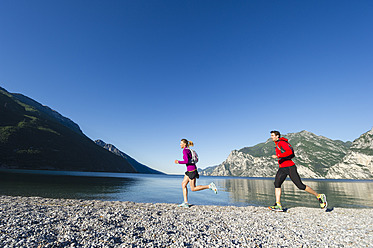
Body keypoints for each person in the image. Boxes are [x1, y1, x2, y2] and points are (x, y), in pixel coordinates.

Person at [268, 130, 327, 211]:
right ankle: (278, 204)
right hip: (282, 167)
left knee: (300, 186)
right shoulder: (277, 144)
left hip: (290, 167)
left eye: (272, 135)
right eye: (271, 135)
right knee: (277, 183)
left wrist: (278, 155)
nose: (271, 137)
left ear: (277, 136)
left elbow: (290, 152)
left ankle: (319, 196)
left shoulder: (282, 142)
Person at [175, 138, 217, 208]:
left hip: (192, 171)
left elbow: (186, 161)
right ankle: (185, 202)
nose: (180, 144)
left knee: (193, 188)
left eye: (181, 143)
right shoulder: (188, 150)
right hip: (189, 171)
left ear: (184, 144)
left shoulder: (185, 150)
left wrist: (178, 162)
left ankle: (209, 186)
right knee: (183, 184)